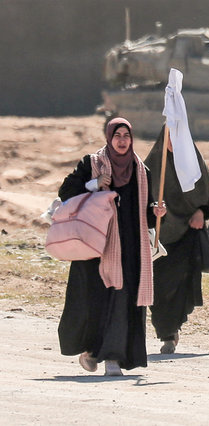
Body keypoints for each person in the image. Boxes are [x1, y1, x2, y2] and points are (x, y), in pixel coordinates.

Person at [57, 117, 166, 376]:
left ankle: (113, 358)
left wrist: (157, 212)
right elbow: (66, 192)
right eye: (117, 135)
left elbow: (147, 215)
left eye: (126, 135)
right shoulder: (92, 164)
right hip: (97, 249)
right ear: (109, 137)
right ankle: (93, 350)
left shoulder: (142, 171)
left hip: (130, 250)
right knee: (96, 302)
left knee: (123, 301)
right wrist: (95, 184)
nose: (122, 140)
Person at [145, 125, 209, 354]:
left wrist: (202, 213)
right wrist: (153, 212)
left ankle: (171, 332)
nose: (173, 144)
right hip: (158, 238)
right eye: (170, 138)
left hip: (185, 236)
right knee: (157, 289)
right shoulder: (151, 165)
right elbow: (140, 197)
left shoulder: (193, 164)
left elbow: (206, 197)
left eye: (178, 138)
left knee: (179, 285)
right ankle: (166, 332)